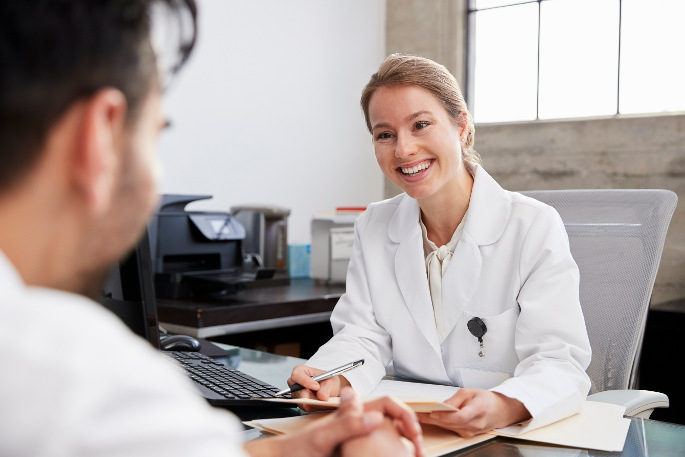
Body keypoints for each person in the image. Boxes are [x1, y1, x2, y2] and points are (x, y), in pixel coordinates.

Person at [0, 2, 424, 456]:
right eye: (154, 134)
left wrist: (288, 449)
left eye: (420, 125)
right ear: (99, 136)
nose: (403, 148)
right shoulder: (80, 379)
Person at [288, 54, 593, 437]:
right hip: (408, 432)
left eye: (420, 125)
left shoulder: (531, 224)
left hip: (506, 437)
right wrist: (330, 378)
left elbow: (559, 360)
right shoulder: (374, 225)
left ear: (461, 126)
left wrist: (504, 405)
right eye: (384, 134)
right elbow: (362, 334)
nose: (404, 149)